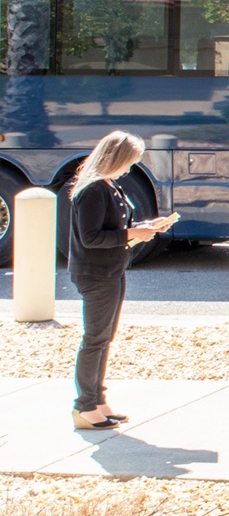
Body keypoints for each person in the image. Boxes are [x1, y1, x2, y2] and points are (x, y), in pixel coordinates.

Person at [68, 131, 171, 430]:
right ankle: (85, 405)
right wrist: (132, 234)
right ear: (115, 158)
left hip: (111, 269)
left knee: (103, 338)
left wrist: (144, 227)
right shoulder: (94, 190)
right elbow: (91, 237)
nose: (131, 168)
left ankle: (97, 400)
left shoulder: (109, 186)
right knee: (95, 339)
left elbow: (113, 227)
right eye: (129, 161)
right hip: (96, 272)